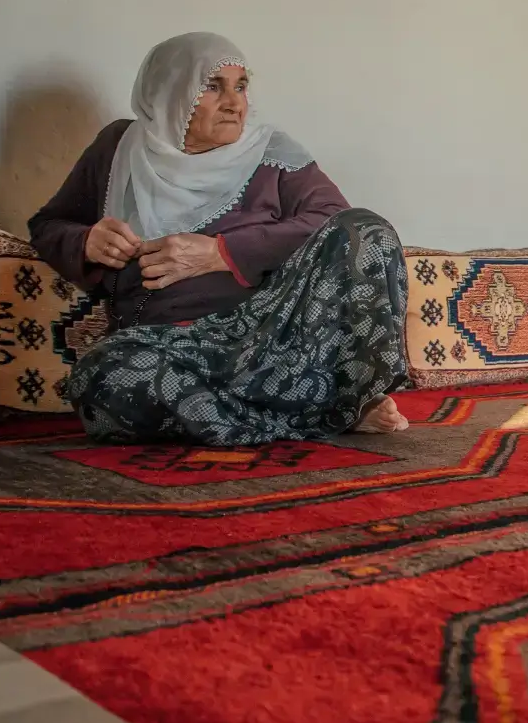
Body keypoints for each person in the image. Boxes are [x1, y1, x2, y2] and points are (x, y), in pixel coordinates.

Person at [29, 32, 409, 445]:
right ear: (169, 93)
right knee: (102, 378)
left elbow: (334, 222)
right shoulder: (118, 149)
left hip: (274, 342)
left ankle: (294, 406)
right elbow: (49, 225)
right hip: (178, 349)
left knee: (367, 230)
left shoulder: (272, 153)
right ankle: (326, 410)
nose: (234, 103)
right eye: (212, 87)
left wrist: (221, 253)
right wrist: (86, 240)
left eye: (241, 87)